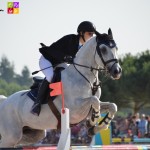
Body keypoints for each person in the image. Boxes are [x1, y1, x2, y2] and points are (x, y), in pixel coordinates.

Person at [31, 21, 97, 116]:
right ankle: (37, 103)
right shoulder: (69, 39)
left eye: (92, 34)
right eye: (89, 33)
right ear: (81, 33)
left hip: (60, 63)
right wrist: (65, 57)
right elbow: (53, 50)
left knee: (68, 78)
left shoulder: (84, 47)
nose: (91, 36)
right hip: (47, 60)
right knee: (51, 77)